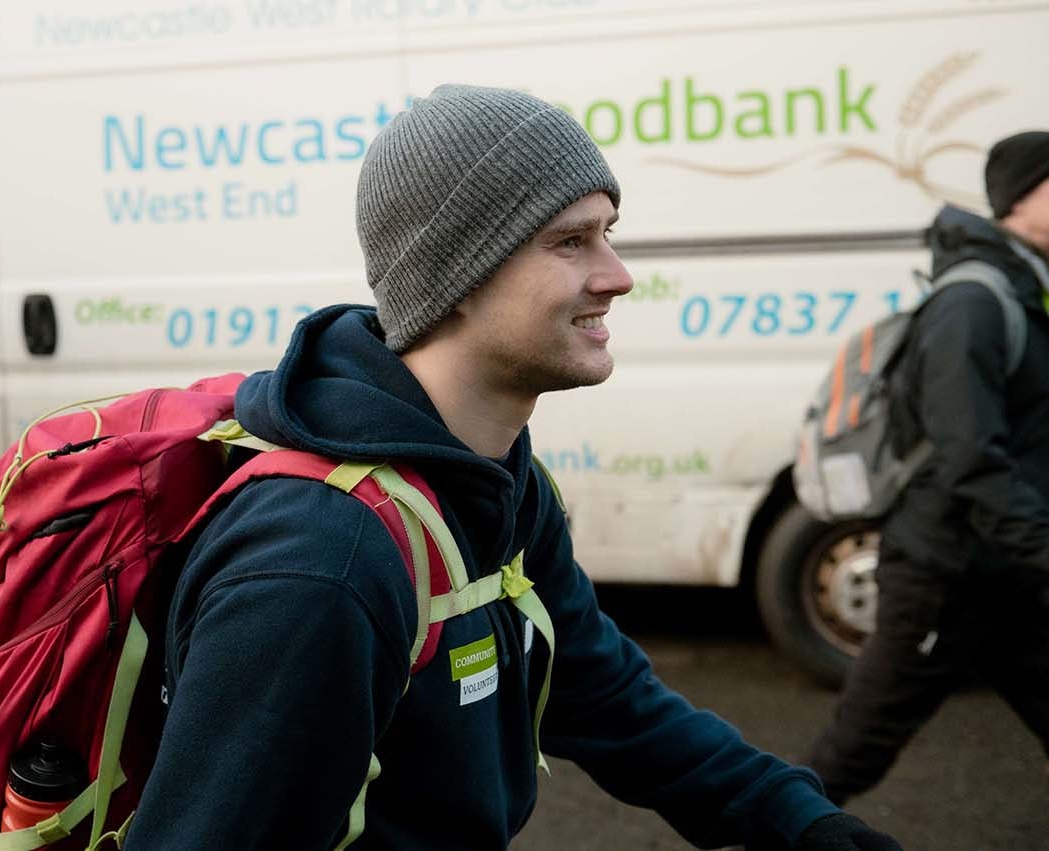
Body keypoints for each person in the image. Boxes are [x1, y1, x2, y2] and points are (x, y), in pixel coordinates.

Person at [126, 85, 900, 850]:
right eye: (571, 241)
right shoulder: (321, 567)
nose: (618, 274)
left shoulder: (492, 480)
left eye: (609, 232)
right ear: (454, 274)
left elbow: (605, 695)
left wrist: (798, 816)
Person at [807, 131, 1049, 803]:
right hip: (943, 576)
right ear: (1020, 200)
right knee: (850, 755)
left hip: (1005, 572)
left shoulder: (1026, 287)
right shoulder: (974, 302)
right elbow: (967, 455)